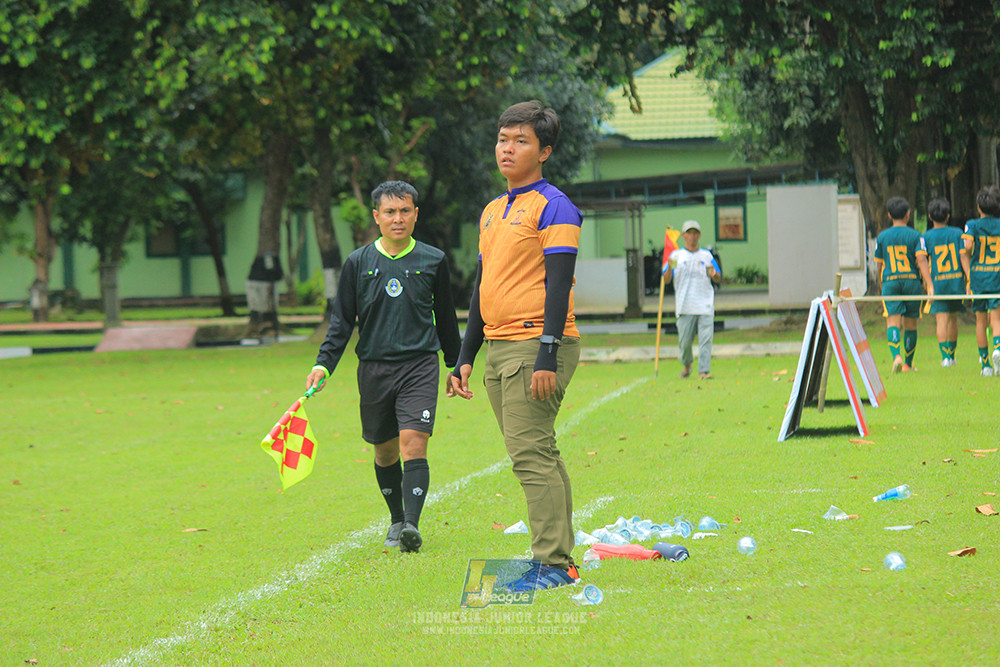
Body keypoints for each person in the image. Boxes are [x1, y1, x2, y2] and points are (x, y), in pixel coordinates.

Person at [447, 100, 583, 591]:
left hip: (537, 345)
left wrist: (547, 352)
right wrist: (464, 357)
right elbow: (483, 288)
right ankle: (560, 558)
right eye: (503, 139)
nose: (507, 148)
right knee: (537, 451)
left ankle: (553, 563)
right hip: (501, 347)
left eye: (521, 141)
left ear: (544, 151)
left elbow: (558, 284)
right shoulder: (492, 210)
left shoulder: (555, 206)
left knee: (529, 454)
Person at [305, 180, 461, 553]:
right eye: (390, 212)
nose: (398, 219)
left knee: (414, 442)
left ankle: (412, 526)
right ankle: (396, 519)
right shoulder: (358, 263)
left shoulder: (433, 260)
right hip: (374, 369)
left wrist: (456, 365)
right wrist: (324, 364)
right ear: (376, 217)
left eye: (405, 211)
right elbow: (341, 322)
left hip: (419, 365)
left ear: (416, 214)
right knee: (385, 451)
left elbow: (446, 318)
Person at [872, 197, 933, 373]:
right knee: (911, 324)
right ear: (908, 214)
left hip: (891, 281)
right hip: (911, 281)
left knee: (893, 321)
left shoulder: (882, 237)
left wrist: (880, 283)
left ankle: (896, 356)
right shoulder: (916, 236)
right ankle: (907, 364)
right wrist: (929, 285)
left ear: (889, 215)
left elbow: (879, 264)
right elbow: (921, 260)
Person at [664, 219, 721, 380]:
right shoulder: (676, 256)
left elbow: (717, 276)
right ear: (684, 236)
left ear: (699, 235)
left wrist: (714, 275)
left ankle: (704, 371)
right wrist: (668, 267)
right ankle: (687, 364)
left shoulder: (706, 256)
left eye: (695, 233)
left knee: (705, 341)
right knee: (685, 343)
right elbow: (667, 279)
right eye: (689, 233)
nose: (692, 236)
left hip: (705, 305)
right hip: (685, 305)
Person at [960, 185, 1000, 377]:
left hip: (978, 277)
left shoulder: (972, 224)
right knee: (997, 318)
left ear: (978, 207)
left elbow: (967, 246)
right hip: (997, 276)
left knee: (980, 321)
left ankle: (985, 365)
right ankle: (998, 349)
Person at [921, 198, 966, 367]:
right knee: (953, 319)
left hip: (937, 283)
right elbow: (963, 256)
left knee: (941, 320)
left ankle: (945, 357)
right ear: (948, 216)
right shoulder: (957, 233)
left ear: (930, 217)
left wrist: (928, 284)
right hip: (955, 282)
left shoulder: (926, 237)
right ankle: (952, 356)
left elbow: (923, 261)